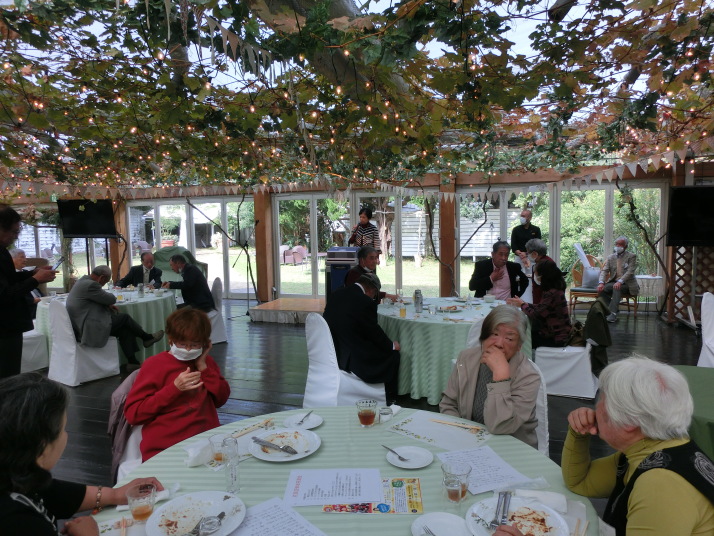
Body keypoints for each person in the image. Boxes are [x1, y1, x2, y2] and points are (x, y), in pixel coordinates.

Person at [562, 356, 714, 535]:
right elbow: (581, 482)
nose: (598, 407)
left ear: (629, 422)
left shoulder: (659, 484)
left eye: (603, 399)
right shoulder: (657, 450)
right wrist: (579, 432)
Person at [0, 372, 164, 536]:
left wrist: (114, 495)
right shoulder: (17, 522)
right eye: (63, 429)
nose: (66, 436)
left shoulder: (16, 474)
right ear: (42, 449)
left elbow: (53, 493)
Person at [124, 307, 231, 461]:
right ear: (171, 340)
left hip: (205, 441)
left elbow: (221, 399)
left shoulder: (205, 363)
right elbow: (133, 415)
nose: (187, 349)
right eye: (182, 344)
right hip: (165, 447)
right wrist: (174, 389)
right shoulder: (154, 365)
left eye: (194, 345)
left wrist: (203, 367)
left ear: (205, 344)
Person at [440, 305, 540, 448]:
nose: (499, 344)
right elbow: (449, 403)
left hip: (511, 447)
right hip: (466, 440)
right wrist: (460, 433)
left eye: (509, 338)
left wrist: (500, 378)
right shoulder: (466, 358)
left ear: (519, 346)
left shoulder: (528, 377)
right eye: (494, 334)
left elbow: (500, 426)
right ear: (483, 335)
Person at [322, 273, 401, 404]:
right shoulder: (365, 302)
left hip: (333, 349)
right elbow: (374, 332)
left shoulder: (336, 293)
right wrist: (392, 345)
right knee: (393, 355)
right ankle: (389, 396)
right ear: (372, 290)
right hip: (351, 357)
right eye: (375, 295)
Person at [66, 265, 164, 365]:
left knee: (125, 330)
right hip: (88, 328)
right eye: (105, 282)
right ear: (102, 278)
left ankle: (133, 362)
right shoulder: (91, 285)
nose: (102, 285)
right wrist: (107, 302)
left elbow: (93, 299)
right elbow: (111, 298)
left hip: (81, 324)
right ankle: (146, 337)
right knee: (124, 318)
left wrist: (106, 304)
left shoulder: (82, 281)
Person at [0, 205, 56, 378]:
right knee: (7, 377)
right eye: (13, 232)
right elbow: (4, 294)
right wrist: (35, 280)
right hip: (3, 328)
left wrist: (32, 273)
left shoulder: (2, 250)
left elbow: (8, 278)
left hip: (9, 326)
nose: (15, 237)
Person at [507, 260, 571, 349]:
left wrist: (522, 305)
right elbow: (542, 307)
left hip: (556, 338)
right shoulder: (555, 290)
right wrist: (524, 303)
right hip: (557, 334)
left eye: (536, 274)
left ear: (544, 276)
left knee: (521, 338)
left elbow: (535, 315)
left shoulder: (552, 293)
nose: (536, 277)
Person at [597, 236, 639, 323]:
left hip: (627, 284)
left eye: (620, 244)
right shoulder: (611, 257)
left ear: (625, 246)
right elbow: (604, 271)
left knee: (616, 287)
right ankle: (611, 310)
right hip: (614, 282)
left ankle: (613, 314)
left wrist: (620, 281)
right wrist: (601, 282)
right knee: (602, 289)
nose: (618, 246)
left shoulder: (631, 256)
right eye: (616, 244)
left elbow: (630, 271)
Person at [10, 248, 43, 319]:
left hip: (40, 301)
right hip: (28, 308)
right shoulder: (9, 276)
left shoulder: (26, 273)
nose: (25, 260)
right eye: (22, 257)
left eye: (25, 257)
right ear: (12, 259)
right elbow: (11, 295)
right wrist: (32, 300)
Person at [523, 238, 554, 304]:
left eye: (528, 253)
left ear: (534, 253)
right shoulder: (547, 261)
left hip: (544, 303)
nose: (527, 256)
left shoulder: (542, 265)